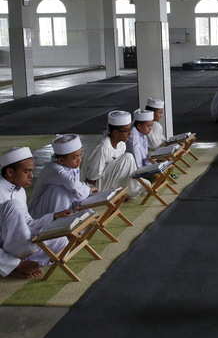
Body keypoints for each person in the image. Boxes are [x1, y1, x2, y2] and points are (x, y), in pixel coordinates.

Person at [0, 147, 70, 279]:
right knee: (13, 205)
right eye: (27, 171)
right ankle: (16, 266)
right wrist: (15, 264)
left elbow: (27, 223)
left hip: (21, 245)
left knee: (61, 241)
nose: (31, 176)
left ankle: (30, 264)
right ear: (10, 172)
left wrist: (53, 217)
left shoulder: (19, 191)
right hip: (5, 249)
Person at [29, 135, 94, 218]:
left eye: (80, 155)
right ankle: (56, 223)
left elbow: (77, 191)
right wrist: (88, 189)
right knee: (59, 189)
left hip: (64, 203)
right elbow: (73, 186)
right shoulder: (54, 169)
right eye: (75, 157)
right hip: (42, 212)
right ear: (61, 160)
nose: (79, 160)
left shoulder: (72, 166)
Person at [83, 110, 142, 195]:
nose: (130, 133)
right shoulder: (103, 148)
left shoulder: (122, 144)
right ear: (115, 132)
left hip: (111, 181)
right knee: (128, 158)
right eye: (126, 131)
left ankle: (130, 191)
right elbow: (91, 178)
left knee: (146, 183)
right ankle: (132, 191)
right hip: (98, 186)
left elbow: (119, 170)